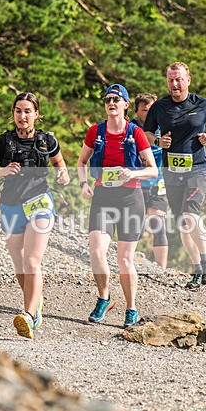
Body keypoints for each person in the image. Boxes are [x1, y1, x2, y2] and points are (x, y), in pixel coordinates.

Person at [0, 92, 70, 339]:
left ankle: (29, 315)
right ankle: (35, 302)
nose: (23, 116)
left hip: (40, 203)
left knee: (32, 261)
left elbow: (60, 163)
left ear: (37, 114)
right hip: (10, 205)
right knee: (19, 264)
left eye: (28, 111)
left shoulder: (47, 140)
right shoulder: (2, 142)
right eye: (18, 111)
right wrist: (3, 171)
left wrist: (63, 174)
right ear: (13, 114)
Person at [76, 84, 158, 328]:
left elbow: (152, 170)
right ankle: (104, 298)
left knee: (125, 259)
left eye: (116, 99)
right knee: (96, 251)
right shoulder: (95, 131)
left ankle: (131, 308)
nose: (111, 103)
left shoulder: (136, 133)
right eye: (107, 100)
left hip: (130, 199)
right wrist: (83, 183)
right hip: (103, 198)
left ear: (126, 105)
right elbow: (81, 162)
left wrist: (133, 173)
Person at [143, 62, 206, 289]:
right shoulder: (159, 107)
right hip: (171, 171)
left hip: (196, 168)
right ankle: (198, 270)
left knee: (190, 215)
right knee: (183, 223)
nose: (175, 84)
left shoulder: (203, 104)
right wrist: (157, 141)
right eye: (170, 80)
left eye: (179, 79)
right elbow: (146, 132)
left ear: (188, 80)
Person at [131, 93, 168, 269]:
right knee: (135, 228)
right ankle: (129, 263)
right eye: (145, 110)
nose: (149, 113)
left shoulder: (163, 127)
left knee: (158, 225)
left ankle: (162, 269)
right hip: (136, 183)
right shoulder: (130, 128)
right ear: (136, 111)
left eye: (152, 109)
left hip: (157, 183)